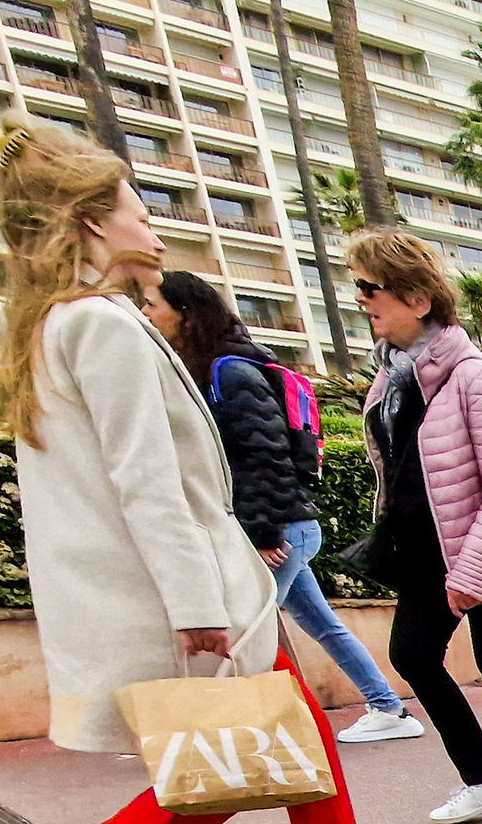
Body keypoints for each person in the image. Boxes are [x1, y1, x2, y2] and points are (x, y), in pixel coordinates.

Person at [0, 121, 446, 824]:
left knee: (291, 730)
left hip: (194, 578)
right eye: (138, 210)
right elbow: (147, 484)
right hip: (195, 586)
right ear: (92, 223)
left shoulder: (53, 327)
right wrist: (198, 605)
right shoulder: (103, 326)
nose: (155, 230)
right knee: (232, 757)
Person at [144, 269, 422, 744]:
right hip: (285, 525)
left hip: (280, 530)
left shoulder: (229, 371)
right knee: (321, 624)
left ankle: (231, 734)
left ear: (185, 314)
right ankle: (389, 710)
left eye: (152, 304)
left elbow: (264, 453)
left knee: (241, 630)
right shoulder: (215, 367)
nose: (146, 313)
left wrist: (265, 531)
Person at [348, 228, 482, 824]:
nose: (364, 300)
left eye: (372, 288)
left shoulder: (476, 379)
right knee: (414, 658)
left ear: (418, 299)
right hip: (425, 554)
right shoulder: (393, 382)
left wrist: (473, 570)